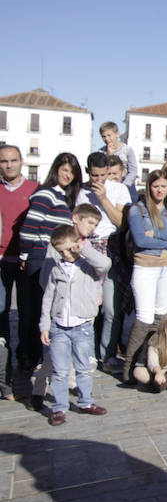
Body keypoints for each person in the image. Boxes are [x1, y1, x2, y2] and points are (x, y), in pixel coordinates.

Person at [38, 224, 111, 425]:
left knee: (83, 367)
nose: (66, 254)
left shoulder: (88, 266)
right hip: (59, 326)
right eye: (61, 251)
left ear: (77, 244)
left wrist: (83, 249)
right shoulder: (56, 270)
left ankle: (86, 402)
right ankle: (59, 408)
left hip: (82, 326)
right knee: (60, 370)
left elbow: (105, 264)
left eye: (69, 249)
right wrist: (45, 325)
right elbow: (48, 298)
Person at [18, 153, 82, 371]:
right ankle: (31, 358)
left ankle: (37, 358)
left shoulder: (62, 197)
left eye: (72, 173)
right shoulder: (47, 194)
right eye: (64, 170)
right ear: (56, 170)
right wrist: (25, 256)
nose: (68, 175)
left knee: (43, 309)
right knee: (37, 310)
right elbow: (29, 227)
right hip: (39, 257)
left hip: (50, 259)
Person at [122, 170, 167, 382]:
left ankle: (152, 364)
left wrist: (157, 234)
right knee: (144, 317)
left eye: (163, 186)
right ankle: (130, 367)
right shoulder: (137, 210)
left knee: (160, 316)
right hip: (146, 266)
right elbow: (141, 240)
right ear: (149, 187)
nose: (159, 190)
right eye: (156, 186)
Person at [77, 152, 132, 371]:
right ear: (87, 171)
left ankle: (107, 355)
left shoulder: (119, 189)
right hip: (87, 248)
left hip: (111, 246)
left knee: (111, 308)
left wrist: (103, 198)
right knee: (86, 306)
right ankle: (86, 355)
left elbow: (121, 222)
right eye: (94, 175)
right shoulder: (80, 191)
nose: (98, 180)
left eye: (102, 175)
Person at [0, 145, 38, 381]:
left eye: (13, 160)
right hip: (1, 260)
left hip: (26, 260)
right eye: (4, 161)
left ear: (22, 162)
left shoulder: (35, 189)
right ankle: (4, 361)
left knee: (28, 312)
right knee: (1, 312)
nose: (9, 165)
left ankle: (26, 356)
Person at [99, 122, 137, 190]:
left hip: (126, 183)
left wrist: (124, 185)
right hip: (109, 184)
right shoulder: (101, 152)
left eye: (109, 135)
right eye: (104, 136)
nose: (107, 139)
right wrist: (109, 155)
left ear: (117, 134)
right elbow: (101, 170)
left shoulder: (127, 149)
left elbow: (133, 170)